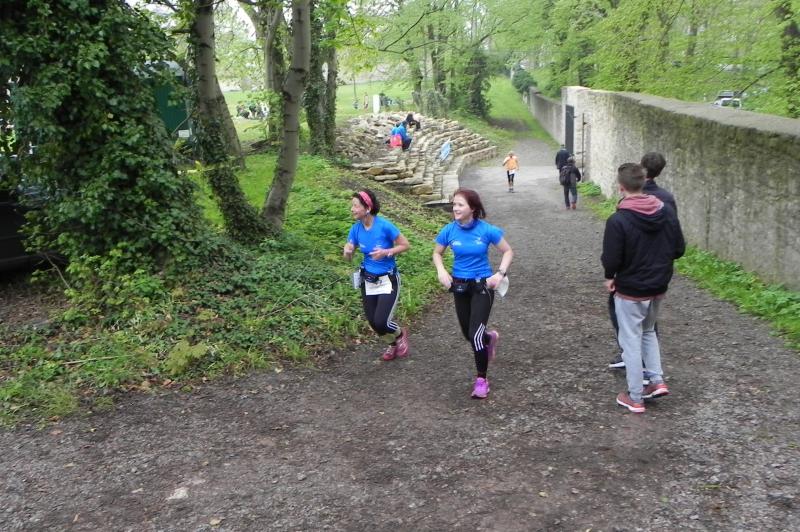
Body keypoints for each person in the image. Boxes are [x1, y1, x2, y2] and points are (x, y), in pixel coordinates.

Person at [602, 163, 685, 413]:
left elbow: (612, 258)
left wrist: (610, 277)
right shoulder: (666, 211)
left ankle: (635, 396)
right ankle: (656, 380)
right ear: (644, 183)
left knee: (630, 338)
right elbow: (679, 248)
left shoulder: (618, 220)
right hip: (658, 285)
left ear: (621, 187)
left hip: (631, 288)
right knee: (648, 331)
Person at [433, 188, 514, 399]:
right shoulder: (449, 230)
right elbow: (437, 253)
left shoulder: (486, 230)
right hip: (460, 287)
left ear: (473, 208)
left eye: (460, 204)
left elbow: (508, 251)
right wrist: (441, 270)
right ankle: (490, 338)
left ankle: (482, 380)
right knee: (468, 334)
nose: (455, 208)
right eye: (454, 204)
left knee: (475, 335)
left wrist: (500, 274)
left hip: (482, 287)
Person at [607, 152, 677, 370]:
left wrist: (611, 274)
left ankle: (636, 365)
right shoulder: (666, 200)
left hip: (633, 276)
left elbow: (617, 249)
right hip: (659, 272)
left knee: (629, 322)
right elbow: (675, 241)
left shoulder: (627, 207)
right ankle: (651, 372)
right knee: (648, 324)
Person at [344, 190, 411, 361]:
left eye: (355, 206)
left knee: (382, 321)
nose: (352, 209)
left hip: (388, 280)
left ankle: (400, 334)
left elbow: (405, 245)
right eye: (352, 205)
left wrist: (386, 252)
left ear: (367, 208)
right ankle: (392, 344)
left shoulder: (385, 226)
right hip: (368, 280)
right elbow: (348, 257)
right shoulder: (356, 229)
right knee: (373, 322)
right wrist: (347, 252)